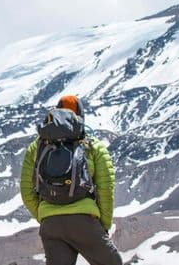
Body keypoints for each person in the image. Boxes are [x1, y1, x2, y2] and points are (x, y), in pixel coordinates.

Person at [20, 95, 122, 265]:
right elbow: (106, 188)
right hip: (84, 220)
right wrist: (103, 224)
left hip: (50, 224)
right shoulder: (92, 145)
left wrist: (44, 215)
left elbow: (26, 190)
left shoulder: (36, 146)